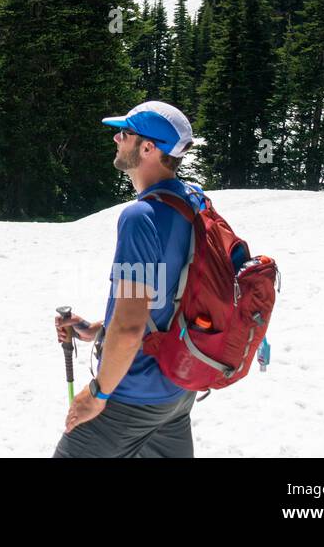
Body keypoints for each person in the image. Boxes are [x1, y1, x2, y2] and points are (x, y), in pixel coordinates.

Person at [52, 100, 204, 458]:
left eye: (125, 133)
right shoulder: (193, 202)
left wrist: (99, 392)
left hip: (132, 394)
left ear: (148, 148)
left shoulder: (141, 218)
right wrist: (97, 328)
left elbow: (132, 327)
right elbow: (168, 298)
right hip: (178, 392)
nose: (117, 139)